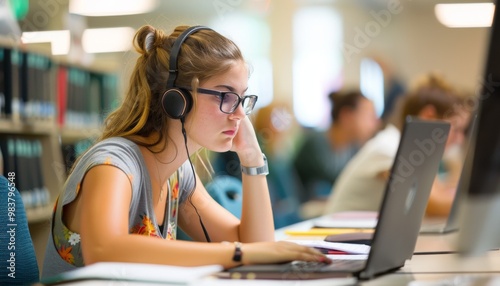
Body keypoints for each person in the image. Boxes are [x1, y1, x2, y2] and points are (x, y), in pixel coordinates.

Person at [41, 25, 330, 278]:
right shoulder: (113, 164)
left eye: (243, 98)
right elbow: (104, 249)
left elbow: (258, 245)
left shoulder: (178, 174)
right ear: (176, 100)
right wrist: (237, 254)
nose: (240, 113)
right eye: (226, 96)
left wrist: (252, 158)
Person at [323, 74, 470, 217]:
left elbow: (441, 193)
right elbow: (430, 204)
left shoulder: (410, 150)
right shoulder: (389, 147)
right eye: (456, 129)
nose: (459, 139)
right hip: (332, 236)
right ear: (429, 116)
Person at [293, 89, 380, 204]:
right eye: (369, 116)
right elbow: (342, 181)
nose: (376, 124)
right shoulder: (316, 143)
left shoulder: (351, 149)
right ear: (346, 116)